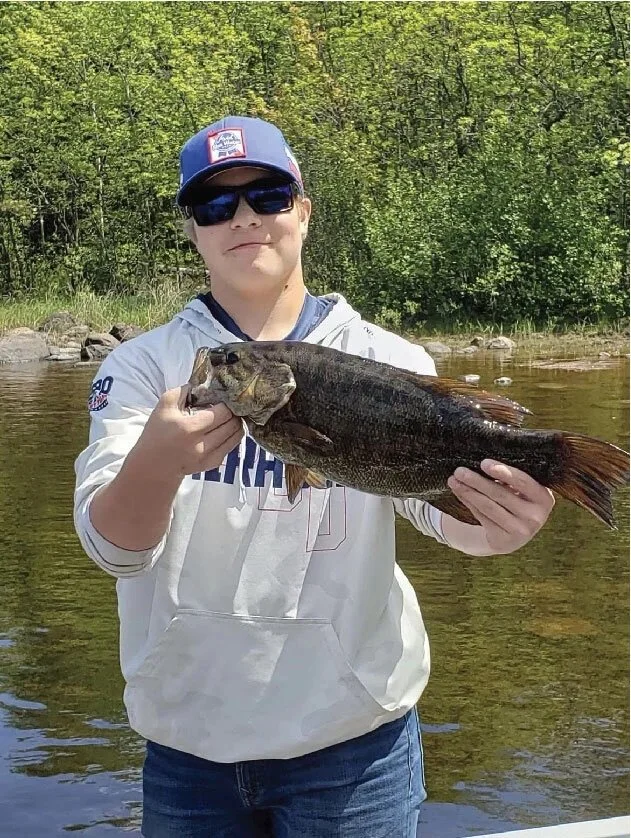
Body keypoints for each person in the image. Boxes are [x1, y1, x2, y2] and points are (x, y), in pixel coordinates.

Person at [73, 115, 555, 838]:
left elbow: (435, 510)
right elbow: (113, 549)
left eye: (266, 196)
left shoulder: (385, 356)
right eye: (214, 205)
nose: (244, 219)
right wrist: (156, 462)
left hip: (354, 741)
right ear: (192, 229)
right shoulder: (142, 368)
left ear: (302, 208)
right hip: (186, 739)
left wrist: (500, 524)